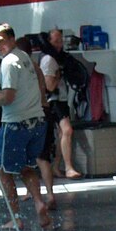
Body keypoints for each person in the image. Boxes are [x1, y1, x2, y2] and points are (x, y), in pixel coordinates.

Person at [0, 23, 53, 229]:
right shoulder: (25, 57)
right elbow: (39, 75)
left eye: (1, 41)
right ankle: (39, 202)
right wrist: (41, 98)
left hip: (16, 124)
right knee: (27, 167)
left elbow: (8, 97)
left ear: (12, 39)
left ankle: (15, 218)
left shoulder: (9, 62)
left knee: (4, 171)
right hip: (37, 122)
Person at [38, 27, 81, 180]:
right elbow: (49, 86)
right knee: (67, 130)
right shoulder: (49, 60)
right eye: (56, 41)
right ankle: (68, 167)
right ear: (49, 42)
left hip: (59, 99)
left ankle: (57, 166)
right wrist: (60, 74)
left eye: (61, 41)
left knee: (63, 133)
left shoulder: (55, 58)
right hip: (53, 100)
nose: (59, 45)